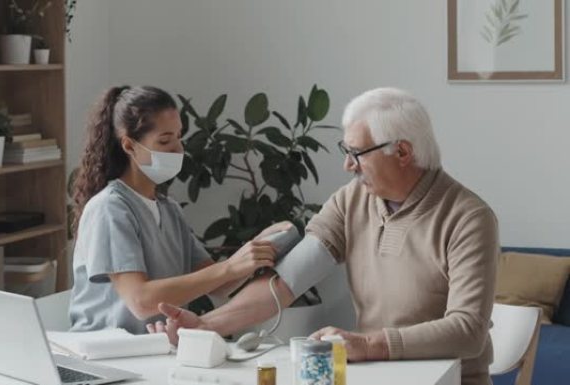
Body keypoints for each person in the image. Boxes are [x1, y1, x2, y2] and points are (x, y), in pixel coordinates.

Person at [155, 88, 499, 385]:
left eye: (357, 154)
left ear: (403, 153)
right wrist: (204, 325)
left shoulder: (468, 218)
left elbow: (468, 331)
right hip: (378, 376)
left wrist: (369, 345)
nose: (348, 166)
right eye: (345, 151)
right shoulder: (353, 200)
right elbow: (287, 283)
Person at [69, 85, 290, 334]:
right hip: (108, 354)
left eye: (178, 136)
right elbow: (141, 301)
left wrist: (258, 246)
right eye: (165, 140)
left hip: (155, 350)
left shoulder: (169, 210)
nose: (178, 149)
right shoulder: (109, 208)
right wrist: (229, 266)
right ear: (129, 146)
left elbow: (218, 285)